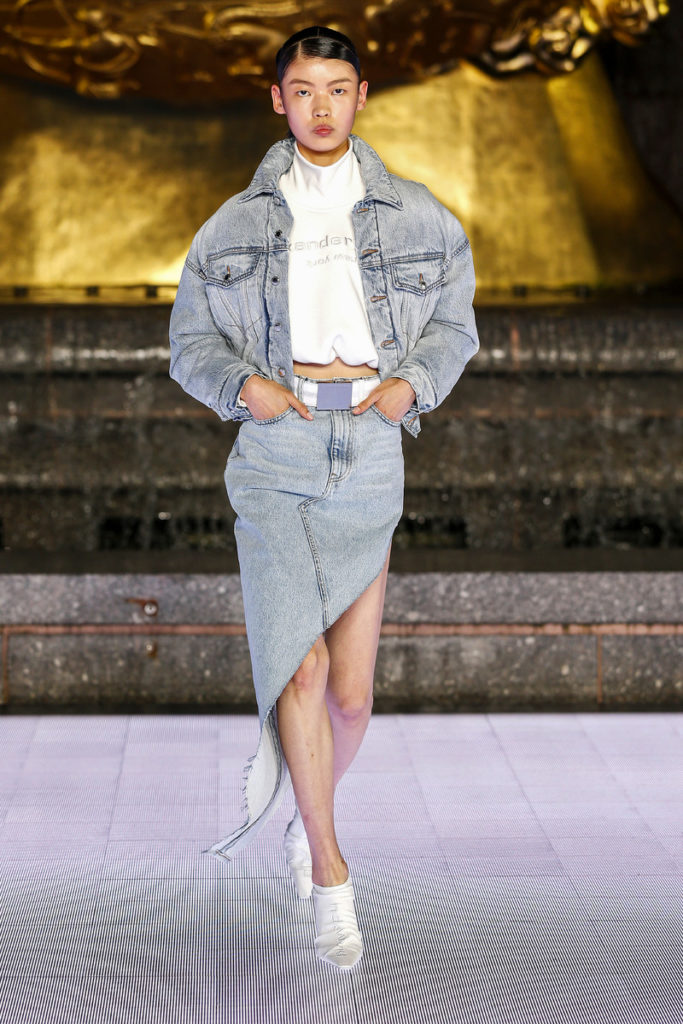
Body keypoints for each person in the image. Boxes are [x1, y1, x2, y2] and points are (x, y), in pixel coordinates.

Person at [169, 24, 479, 971]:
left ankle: (310, 810)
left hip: (370, 452)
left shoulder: (420, 216)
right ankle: (332, 873)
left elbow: (454, 323)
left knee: (348, 698)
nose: (319, 107)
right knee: (299, 672)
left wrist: (412, 384)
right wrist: (244, 387)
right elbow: (190, 344)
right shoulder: (230, 226)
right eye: (301, 90)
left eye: (336, 89)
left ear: (360, 95)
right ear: (278, 99)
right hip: (276, 452)